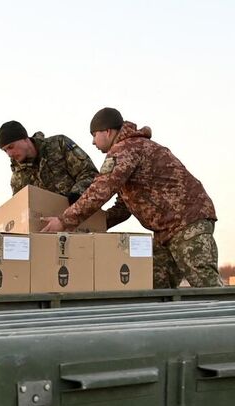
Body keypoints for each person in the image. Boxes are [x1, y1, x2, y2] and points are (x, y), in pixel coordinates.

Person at [42, 108, 223, 289]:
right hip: (168, 231)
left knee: (207, 287)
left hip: (187, 224)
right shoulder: (132, 149)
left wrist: (64, 221)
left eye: (94, 135)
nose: (92, 141)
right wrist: (94, 226)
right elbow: (124, 207)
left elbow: (101, 189)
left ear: (108, 132)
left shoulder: (125, 149)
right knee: (153, 285)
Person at [0, 120, 98, 203]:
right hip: (48, 224)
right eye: (5, 150)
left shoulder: (59, 144)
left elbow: (90, 174)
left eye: (11, 147)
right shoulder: (17, 179)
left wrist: (76, 194)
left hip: (82, 214)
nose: (9, 154)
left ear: (25, 139)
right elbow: (22, 210)